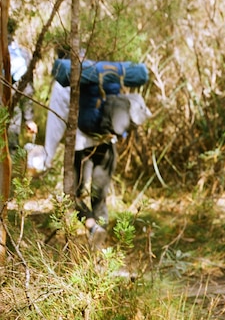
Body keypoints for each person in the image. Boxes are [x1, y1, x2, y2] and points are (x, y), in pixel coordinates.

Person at [43, 48, 151, 247]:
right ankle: (100, 249)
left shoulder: (69, 78)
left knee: (71, 194)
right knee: (99, 197)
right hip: (107, 142)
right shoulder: (109, 74)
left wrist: (47, 157)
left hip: (80, 146)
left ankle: (93, 226)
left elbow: (55, 121)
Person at [7, 18, 38, 157]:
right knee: (10, 150)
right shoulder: (22, 54)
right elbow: (27, 89)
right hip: (12, 110)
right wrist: (29, 119)